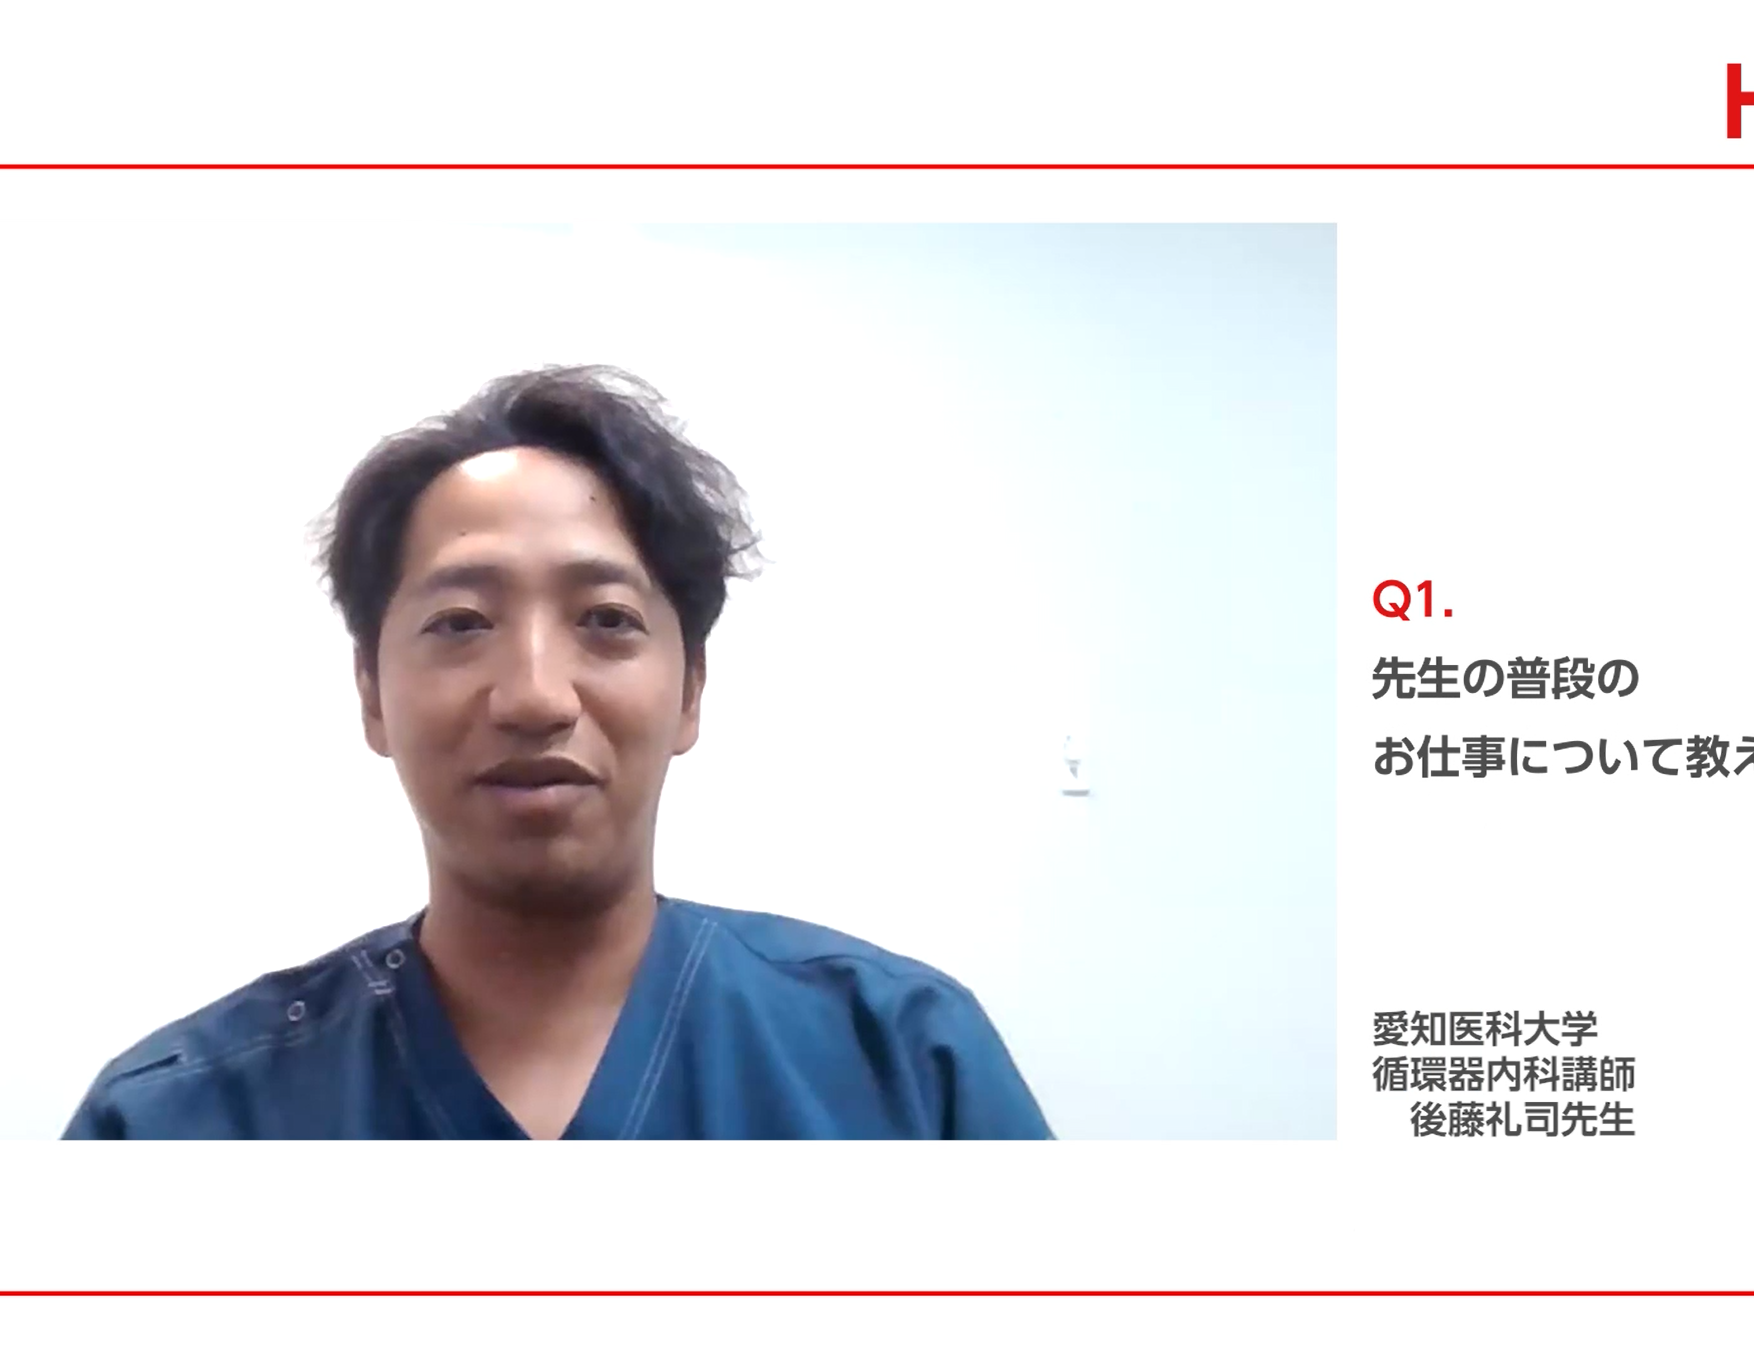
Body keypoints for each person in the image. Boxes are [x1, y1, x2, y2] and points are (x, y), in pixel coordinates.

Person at [63, 365, 1051, 1139]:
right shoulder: (174, 1122)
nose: (535, 695)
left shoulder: (909, 1065)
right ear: (371, 694)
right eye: (460, 623)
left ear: (690, 691)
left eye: (607, 619)